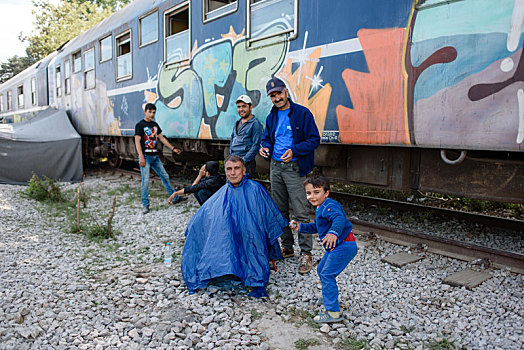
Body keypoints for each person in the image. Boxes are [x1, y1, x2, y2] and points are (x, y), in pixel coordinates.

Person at [181, 155, 287, 298]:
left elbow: (269, 217)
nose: (233, 173)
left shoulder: (256, 190)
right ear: (225, 172)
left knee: (253, 236)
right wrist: (194, 228)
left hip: (252, 237)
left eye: (236, 168)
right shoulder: (222, 192)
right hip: (233, 235)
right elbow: (205, 212)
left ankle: (255, 276)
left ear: (243, 171)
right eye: (229, 169)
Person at [259, 77, 321, 274]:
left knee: (301, 210)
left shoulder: (302, 113)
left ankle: (306, 253)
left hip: (294, 167)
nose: (276, 98)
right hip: (275, 167)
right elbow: (267, 138)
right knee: (279, 209)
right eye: (273, 95)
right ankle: (287, 247)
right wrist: (265, 148)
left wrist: (294, 150)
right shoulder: (272, 117)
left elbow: (314, 139)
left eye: (278, 93)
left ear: (285, 91)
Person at [290, 174, 357, 323]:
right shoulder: (321, 207)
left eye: (316, 192)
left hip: (344, 245)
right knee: (321, 269)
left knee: (327, 274)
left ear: (326, 193)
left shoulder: (330, 206)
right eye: (308, 193)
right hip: (337, 246)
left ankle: (333, 313)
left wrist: (334, 232)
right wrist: (301, 227)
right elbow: (317, 227)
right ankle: (329, 298)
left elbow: (339, 218)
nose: (312, 196)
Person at [134, 103, 182, 214]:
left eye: (154, 112)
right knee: (145, 181)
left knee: (165, 176)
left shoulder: (155, 125)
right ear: (145, 111)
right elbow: (137, 141)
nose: (152, 114)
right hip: (145, 157)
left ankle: (174, 198)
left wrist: (173, 148)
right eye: (149, 112)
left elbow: (161, 138)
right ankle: (145, 205)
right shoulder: (140, 125)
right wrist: (141, 156)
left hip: (154, 156)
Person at [229, 95, 264, 176]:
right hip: (234, 161)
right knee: (232, 186)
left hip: (246, 164)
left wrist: (243, 160)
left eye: (244, 106)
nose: (241, 109)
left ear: (250, 107)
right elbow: (232, 139)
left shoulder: (255, 124)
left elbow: (256, 145)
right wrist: (231, 157)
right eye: (239, 107)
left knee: (243, 187)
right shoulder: (237, 122)